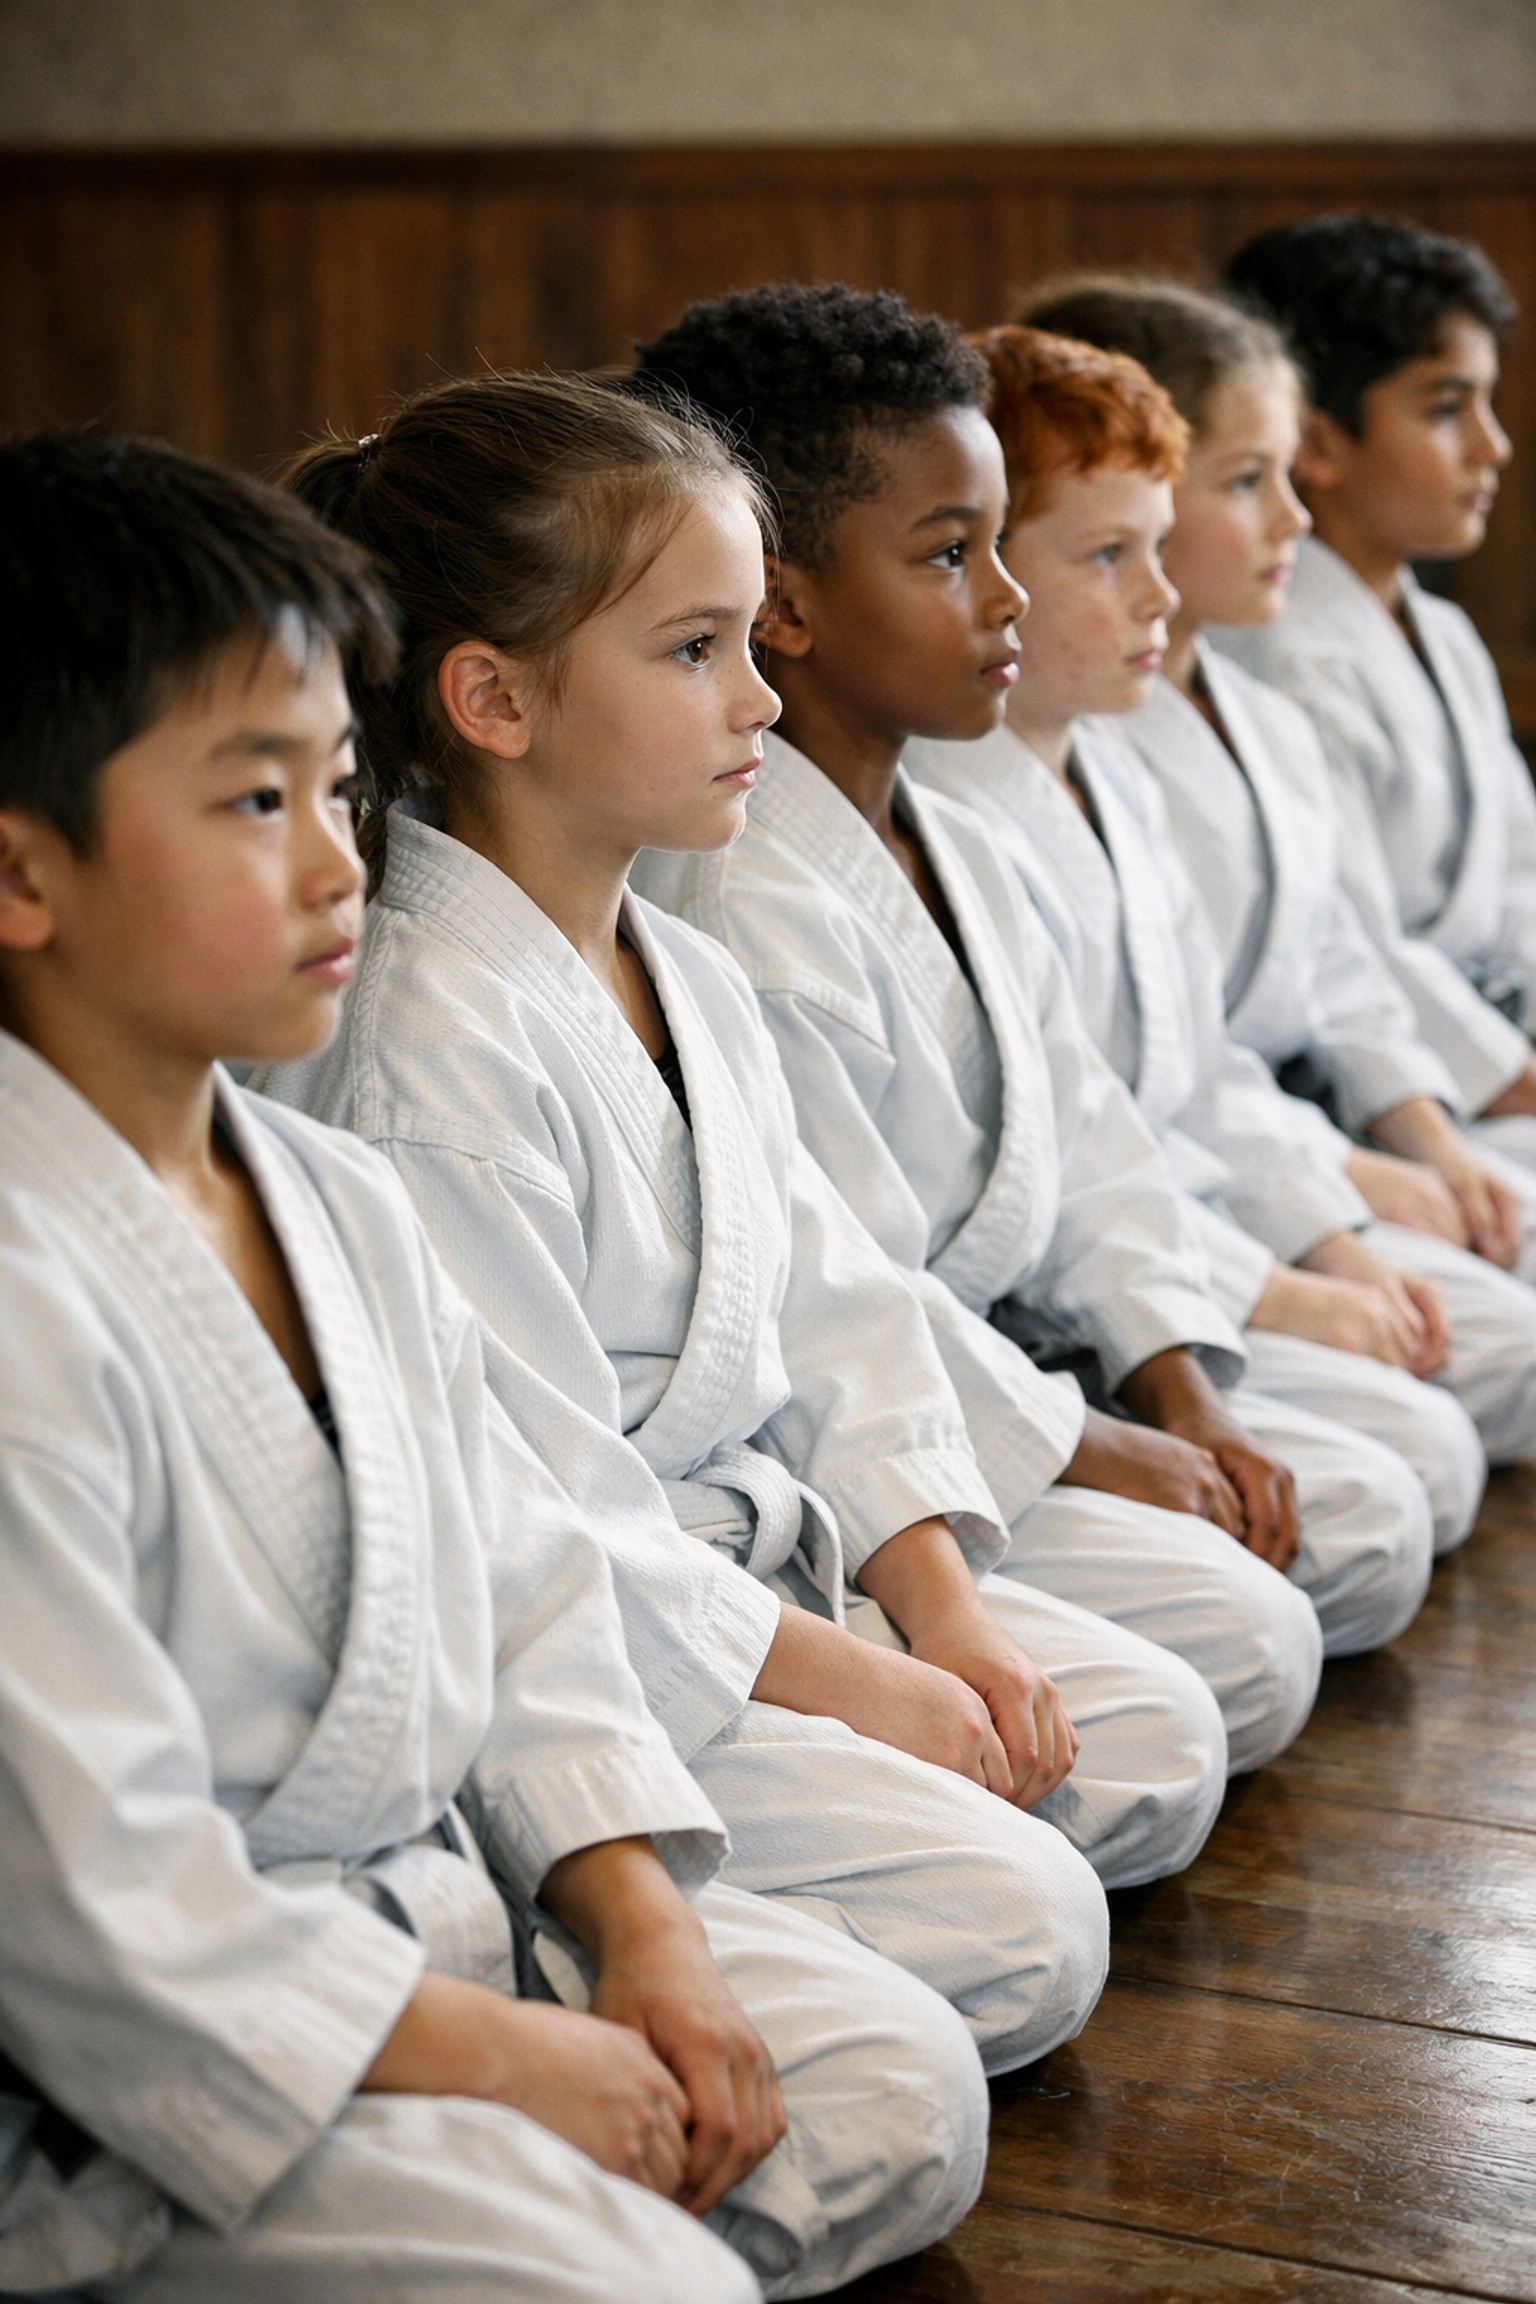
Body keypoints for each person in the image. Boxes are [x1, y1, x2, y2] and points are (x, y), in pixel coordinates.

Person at [0, 430, 1005, 2303]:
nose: (338, 861)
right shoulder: (28, 1290)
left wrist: (642, 1926)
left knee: (909, 2087)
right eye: (254, 801)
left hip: (450, 1896)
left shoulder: (321, 1196)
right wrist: (500, 2056)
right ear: (21, 872)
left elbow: (527, 1591)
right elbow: (87, 1897)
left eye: (339, 785)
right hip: (151, 2088)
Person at [259, 370, 1220, 1920]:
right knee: (1029, 1923)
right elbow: (541, 1522)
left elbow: (840, 1316)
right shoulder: (427, 1049)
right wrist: (858, 1681)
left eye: (746, 644)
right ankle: (613, 1919)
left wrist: (944, 1615)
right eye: (697, 649)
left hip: (761, 1566)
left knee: (1163, 1736)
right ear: (494, 700)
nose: (762, 697)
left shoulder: (682, 972)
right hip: (604, 1644)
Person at [629, 281, 1435, 1768]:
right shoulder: (744, 905)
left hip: (1001, 1375)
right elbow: (848, 1290)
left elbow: (1095, 1139)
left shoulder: (956, 837)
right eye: (953, 554)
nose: (1005, 598)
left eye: (1004, 547)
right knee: (1247, 1659)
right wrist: (1088, 1437)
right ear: (783, 604)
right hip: (890, 1426)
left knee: (1371, 1522)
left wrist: (1176, 1378)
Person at [902, 319, 1495, 1553]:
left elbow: (1203, 1067)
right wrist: (1272, 1285)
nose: (1160, 596)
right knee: (1399, 1495)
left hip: (1187, 1236)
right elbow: (1077, 1150)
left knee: (1420, 1465)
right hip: (1066, 1307)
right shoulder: (951, 820)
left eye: (1158, 546)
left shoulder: (1112, 775)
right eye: (1110, 554)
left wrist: (1329, 1232)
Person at [1015, 274, 1536, 1474]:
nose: (1294, 518)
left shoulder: (1250, 719)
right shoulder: (1077, 750)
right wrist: (1329, 1213)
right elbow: (1146, 1107)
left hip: (1257, 1152)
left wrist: (1412, 1146)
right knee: (1454, 1423)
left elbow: (1346, 968)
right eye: (1251, 480)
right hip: (1180, 1203)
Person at [1212, 214, 1536, 1166]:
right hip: (1392, 1086)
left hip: (1498, 1045)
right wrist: (1506, 1071)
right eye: (1446, 409)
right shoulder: (1279, 658)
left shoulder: (1445, 636)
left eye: (1487, 404)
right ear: (1315, 442)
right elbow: (1350, 937)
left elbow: (1520, 878)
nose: (1493, 446)